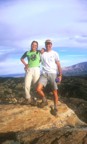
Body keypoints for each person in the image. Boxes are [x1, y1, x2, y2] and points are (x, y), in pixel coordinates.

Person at [36, 39, 62, 115]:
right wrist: (27, 65)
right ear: (45, 45)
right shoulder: (42, 53)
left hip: (53, 73)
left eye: (49, 44)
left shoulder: (55, 53)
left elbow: (58, 65)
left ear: (51, 45)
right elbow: (34, 52)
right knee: (38, 89)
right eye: (47, 44)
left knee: (54, 91)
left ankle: (55, 107)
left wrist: (60, 75)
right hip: (44, 74)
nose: (48, 45)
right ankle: (45, 100)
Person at [20, 41, 41, 105]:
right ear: (31, 45)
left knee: (35, 85)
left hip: (37, 69)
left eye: (35, 45)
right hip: (29, 69)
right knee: (26, 84)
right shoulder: (27, 52)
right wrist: (26, 65)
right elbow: (21, 59)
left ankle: (35, 99)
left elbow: (45, 53)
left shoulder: (39, 52)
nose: (34, 46)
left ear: (37, 46)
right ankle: (28, 98)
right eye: (33, 45)